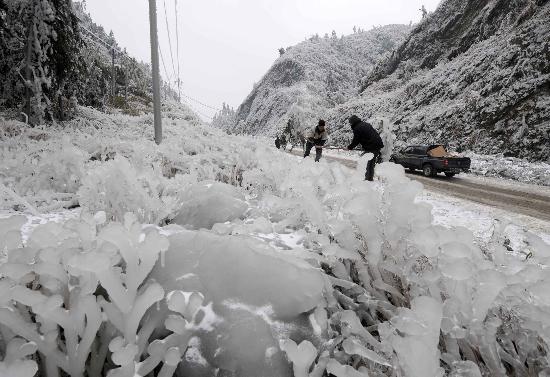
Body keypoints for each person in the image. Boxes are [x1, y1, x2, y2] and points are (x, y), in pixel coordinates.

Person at [347, 115, 384, 181]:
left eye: (350, 123)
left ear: (353, 122)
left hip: (371, 147)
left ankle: (367, 180)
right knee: (371, 164)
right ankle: (369, 179)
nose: (350, 124)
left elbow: (356, 140)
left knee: (367, 164)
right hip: (377, 145)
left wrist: (350, 147)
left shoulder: (357, 128)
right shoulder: (365, 124)